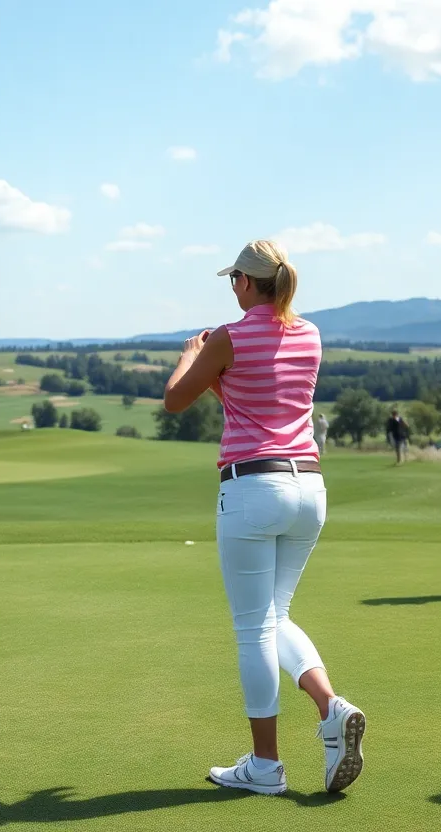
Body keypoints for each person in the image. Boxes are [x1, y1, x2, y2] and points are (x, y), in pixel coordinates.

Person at [162, 240, 364, 796]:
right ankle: (331, 707)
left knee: (254, 626)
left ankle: (267, 765)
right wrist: (221, 379)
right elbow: (260, 397)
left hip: (252, 488)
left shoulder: (228, 336)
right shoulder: (311, 335)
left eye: (234, 281)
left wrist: (189, 354)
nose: (232, 288)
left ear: (246, 284)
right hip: (309, 487)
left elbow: (175, 399)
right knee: (276, 615)